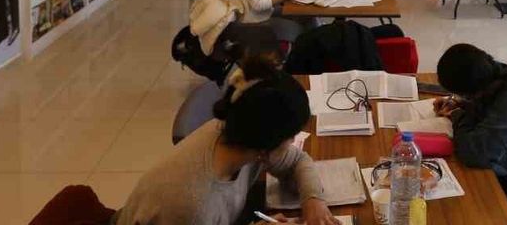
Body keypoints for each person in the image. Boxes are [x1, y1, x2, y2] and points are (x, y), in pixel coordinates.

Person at [112, 54, 341, 225]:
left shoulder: (239, 131)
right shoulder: (194, 205)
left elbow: (297, 160)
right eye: (290, 137)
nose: (293, 141)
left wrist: (313, 201)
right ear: (265, 147)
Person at [434, 44, 507, 183]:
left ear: (473, 90)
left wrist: (457, 115)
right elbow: (486, 107)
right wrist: (461, 104)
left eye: (462, 94)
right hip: (502, 150)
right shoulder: (492, 74)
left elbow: (472, 154)